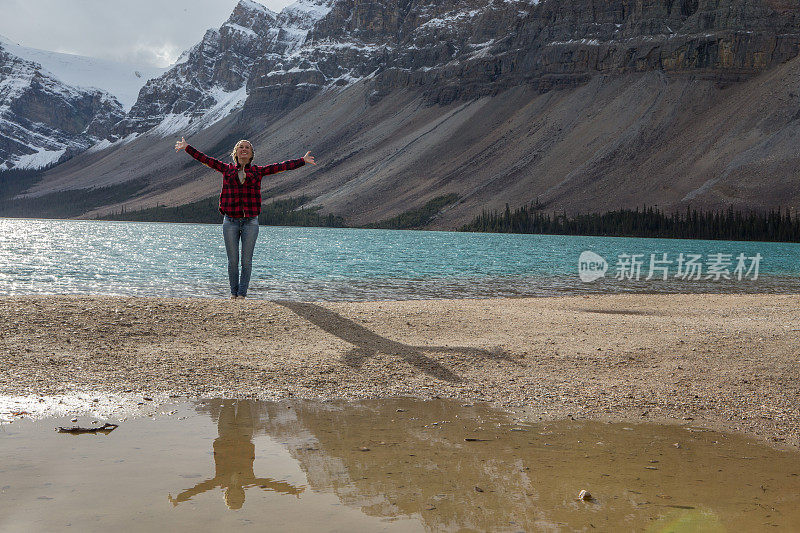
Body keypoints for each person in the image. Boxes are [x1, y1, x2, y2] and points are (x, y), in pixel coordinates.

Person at [174, 137, 316, 299]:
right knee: (232, 261)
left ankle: (242, 294)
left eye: (247, 147)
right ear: (236, 152)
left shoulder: (257, 171)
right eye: (241, 147)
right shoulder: (226, 169)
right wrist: (187, 147)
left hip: (250, 221)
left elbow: (280, 167)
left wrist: (302, 161)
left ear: (251, 154)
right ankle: (233, 294)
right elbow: (205, 159)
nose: (244, 149)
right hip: (230, 221)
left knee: (246, 261)